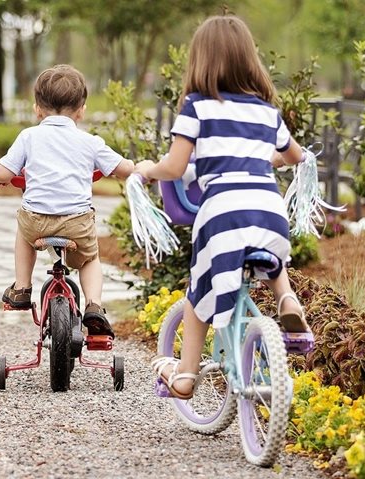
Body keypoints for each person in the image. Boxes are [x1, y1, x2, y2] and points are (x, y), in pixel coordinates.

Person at [134, 15, 312, 398]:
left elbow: (176, 167)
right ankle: (287, 300)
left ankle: (184, 375)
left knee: (199, 291)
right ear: (250, 60)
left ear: (201, 60)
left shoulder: (197, 107)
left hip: (222, 212)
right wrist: (267, 161)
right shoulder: (267, 111)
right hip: (270, 211)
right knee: (274, 262)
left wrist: (150, 170)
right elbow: (295, 156)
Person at [0, 64, 134, 338]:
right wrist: (137, 167)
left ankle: (22, 287)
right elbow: (123, 169)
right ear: (81, 111)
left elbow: (5, 172)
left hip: (37, 223)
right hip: (77, 224)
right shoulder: (89, 141)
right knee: (89, 259)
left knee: (23, 231)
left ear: (37, 109)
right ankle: (94, 305)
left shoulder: (28, 136)